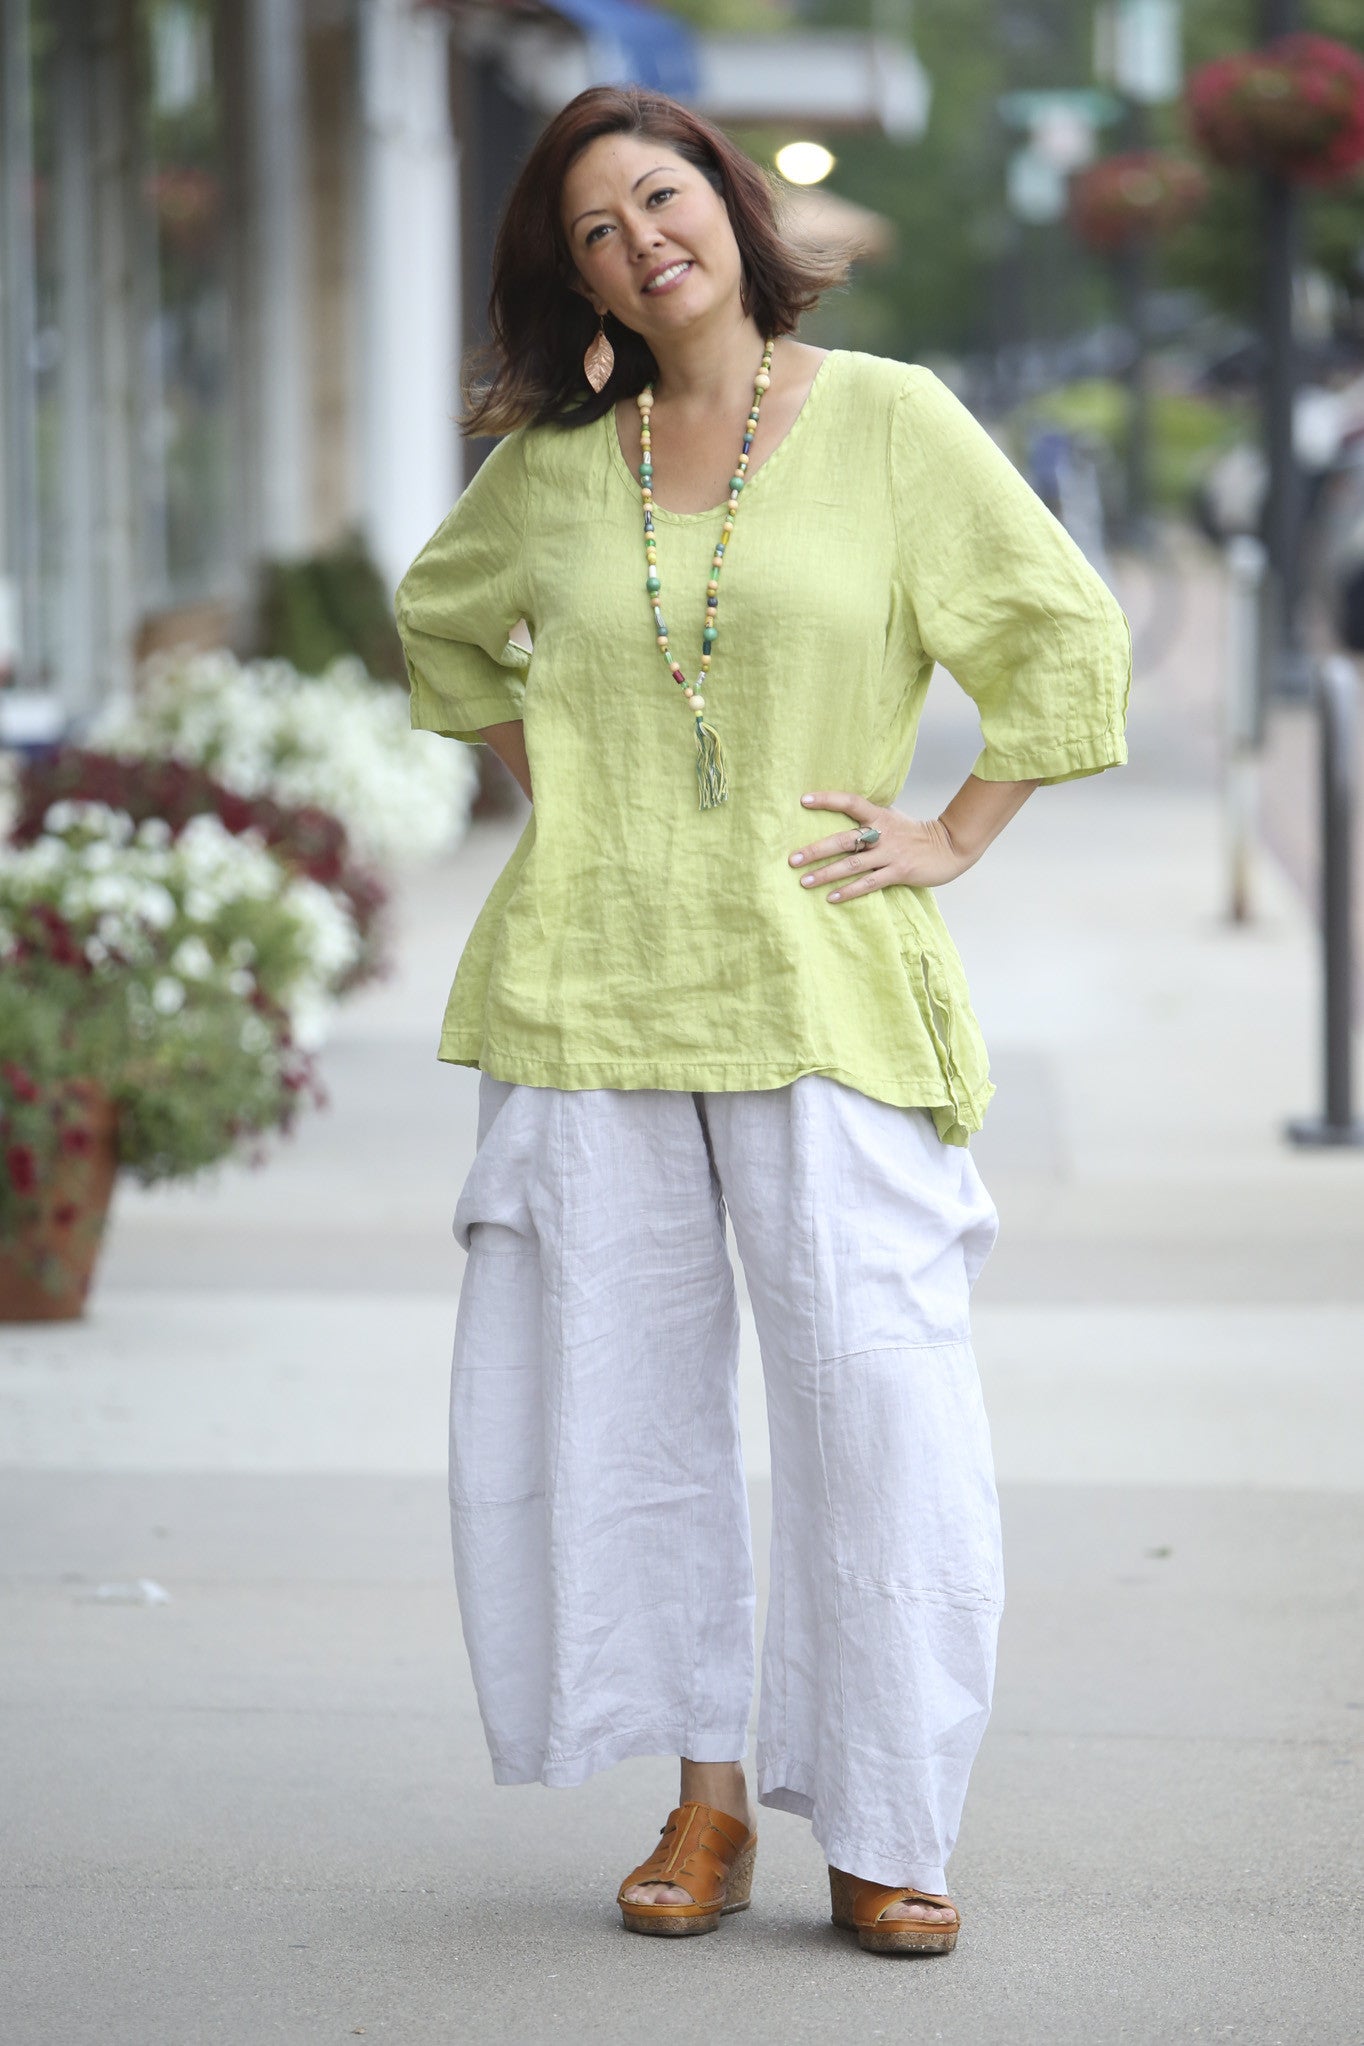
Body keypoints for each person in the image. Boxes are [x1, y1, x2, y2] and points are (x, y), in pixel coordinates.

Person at [394, 84, 1130, 1957]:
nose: (642, 239)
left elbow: (1058, 630)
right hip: (595, 990)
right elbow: (444, 623)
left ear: (726, 205)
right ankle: (706, 1800)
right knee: (623, 1414)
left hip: (822, 981)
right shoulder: (561, 465)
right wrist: (562, 776)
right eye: (595, 230)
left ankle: (886, 1816)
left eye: (661, 196)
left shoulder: (889, 420)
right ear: (579, 284)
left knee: (882, 1409)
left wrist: (953, 831)